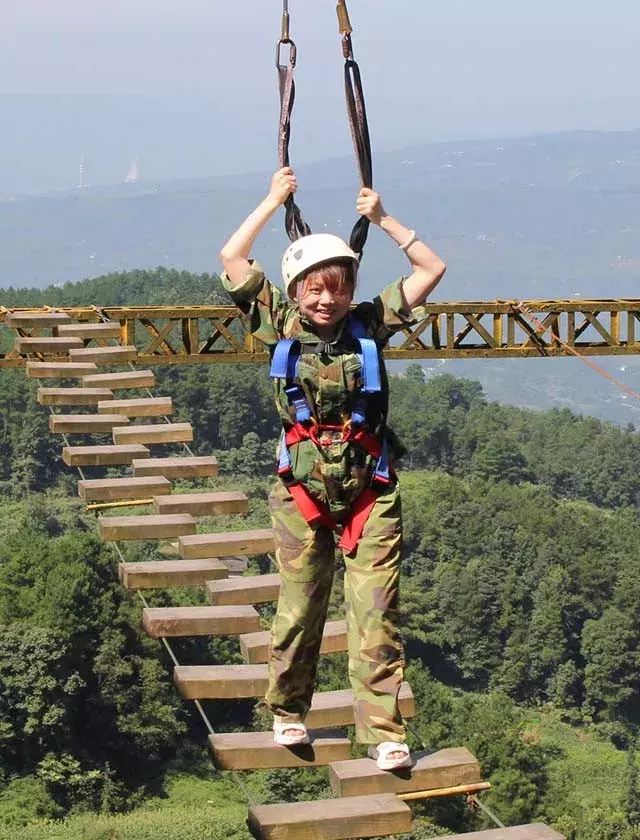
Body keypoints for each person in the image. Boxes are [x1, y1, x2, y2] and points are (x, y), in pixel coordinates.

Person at [220, 166, 446, 771]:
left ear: (351, 288)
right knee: (299, 608)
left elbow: (430, 271)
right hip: (301, 491)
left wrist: (384, 220)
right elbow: (233, 256)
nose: (326, 300)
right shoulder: (278, 324)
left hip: (371, 489)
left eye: (337, 288)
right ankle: (289, 712)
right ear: (295, 290)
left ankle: (383, 731)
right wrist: (271, 200)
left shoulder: (368, 324)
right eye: (314, 289)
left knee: (377, 612)